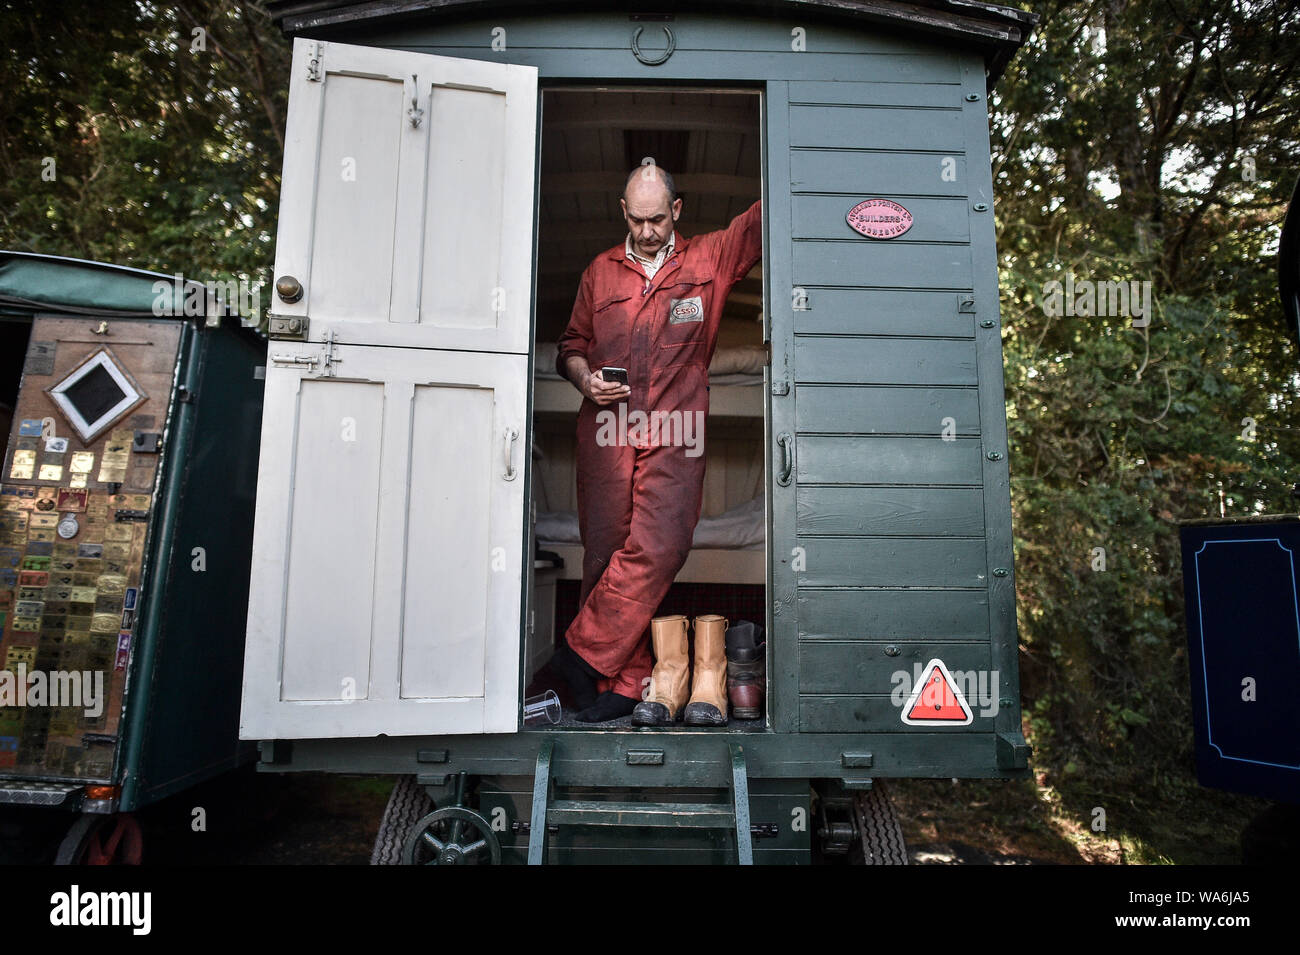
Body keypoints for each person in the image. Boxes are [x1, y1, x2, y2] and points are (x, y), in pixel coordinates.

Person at [551, 163, 762, 722]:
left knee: (661, 546)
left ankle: (576, 653)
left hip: (676, 430)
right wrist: (582, 378)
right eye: (637, 219)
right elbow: (570, 344)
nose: (647, 231)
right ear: (624, 212)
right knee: (604, 554)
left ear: (677, 210)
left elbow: (763, 222)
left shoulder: (709, 260)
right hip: (607, 429)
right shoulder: (600, 272)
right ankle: (625, 682)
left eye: (658, 219)